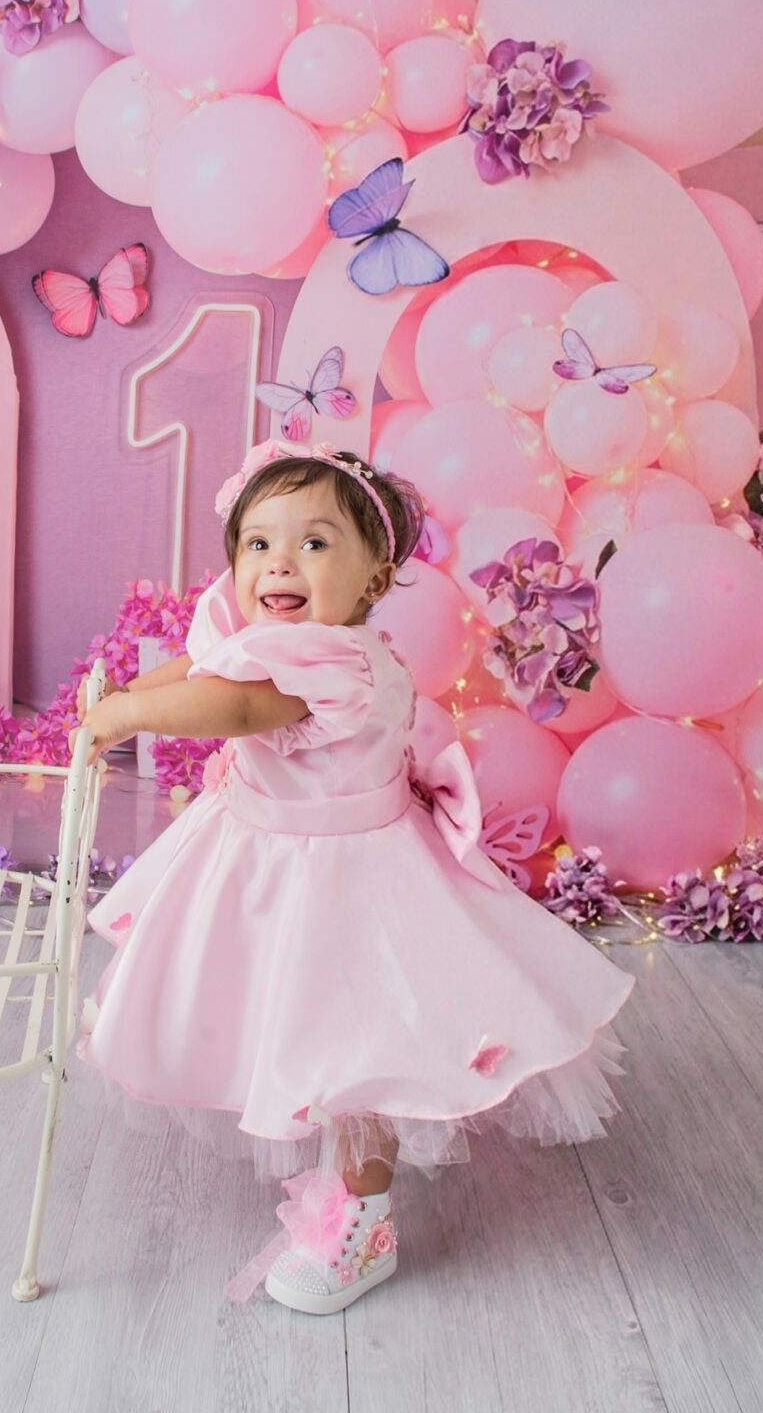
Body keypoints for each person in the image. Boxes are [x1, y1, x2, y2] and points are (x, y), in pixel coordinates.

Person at [72, 439, 635, 1316]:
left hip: (346, 880)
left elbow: (234, 703)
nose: (279, 563)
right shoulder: (270, 635)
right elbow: (207, 664)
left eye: (314, 543)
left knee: (360, 1052)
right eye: (258, 544)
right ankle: (314, 1147)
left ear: (373, 578)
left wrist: (125, 716)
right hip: (263, 861)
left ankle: (363, 1223)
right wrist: (137, 691)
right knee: (277, 1013)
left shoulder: (335, 662)